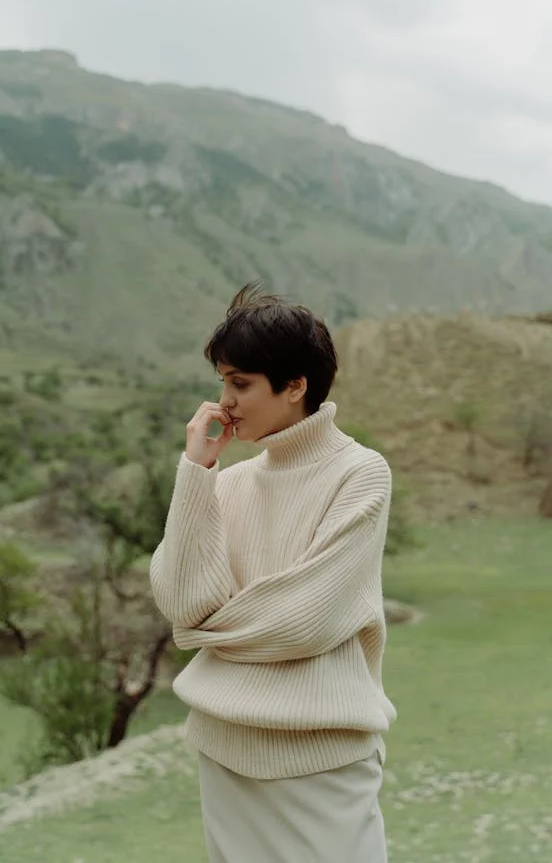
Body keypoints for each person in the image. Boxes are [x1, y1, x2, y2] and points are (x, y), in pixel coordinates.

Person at [150, 283, 396, 862]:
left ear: (295, 386)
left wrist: (206, 635)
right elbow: (181, 601)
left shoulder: (359, 474)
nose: (224, 403)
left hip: (321, 760)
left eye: (241, 384)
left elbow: (302, 621)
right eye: (223, 383)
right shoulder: (226, 482)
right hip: (224, 750)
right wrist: (196, 469)